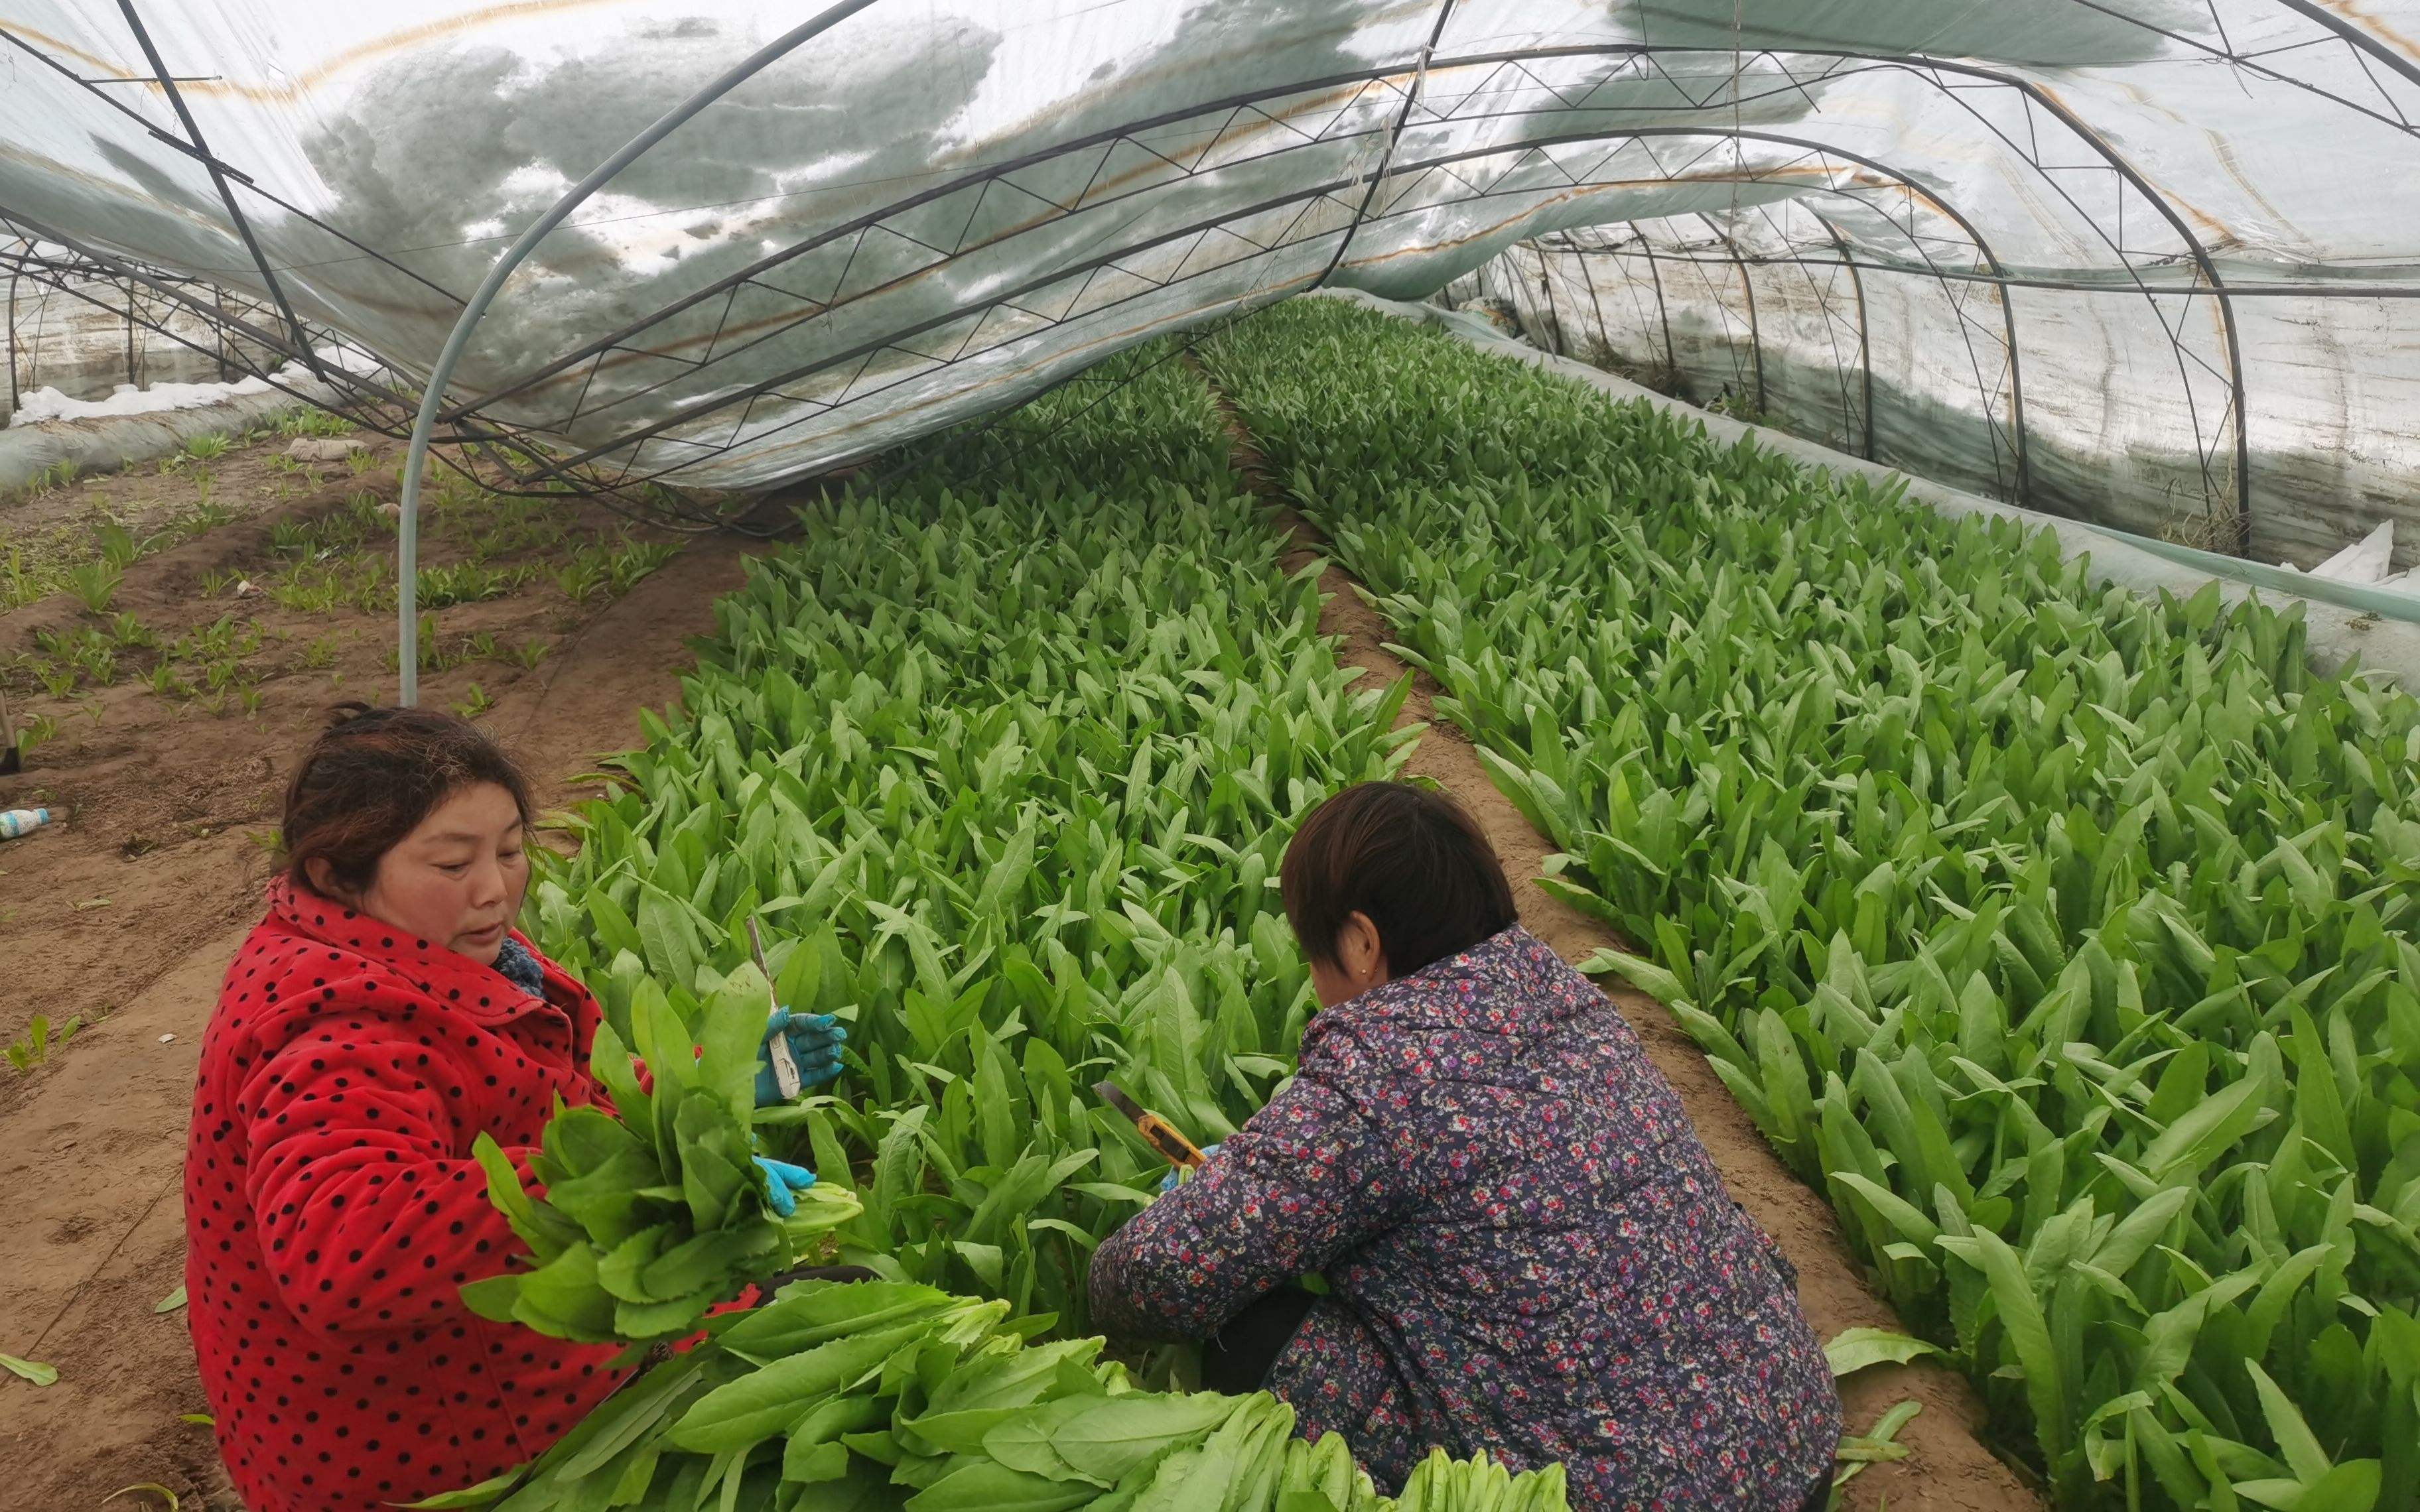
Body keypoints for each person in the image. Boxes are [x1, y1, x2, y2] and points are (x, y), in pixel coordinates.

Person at [1088, 781, 1842, 1509]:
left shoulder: (1380, 1074)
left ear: (1359, 943)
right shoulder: (1569, 996)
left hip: (1603, 1497)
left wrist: (1151, 1247)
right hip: (1793, 1449)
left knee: (1243, 1326)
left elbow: (1158, 1281)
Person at [182, 705, 846, 1512]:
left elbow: (554, 1096)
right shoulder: (336, 1023)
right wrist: (647, 1174)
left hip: (498, 1354)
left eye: (508, 850)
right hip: (438, 1444)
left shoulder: (426, 941)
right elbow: (343, 1256)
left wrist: (715, 1081)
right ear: (337, 875)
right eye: (454, 863)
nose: (497, 890)